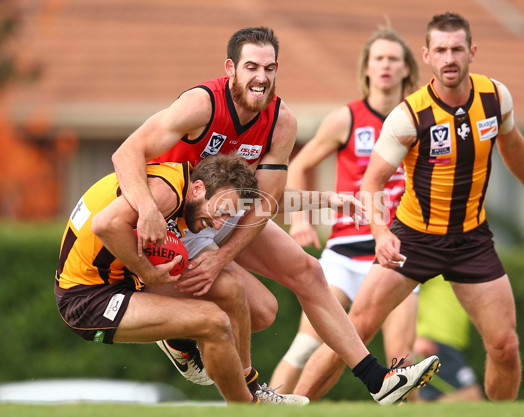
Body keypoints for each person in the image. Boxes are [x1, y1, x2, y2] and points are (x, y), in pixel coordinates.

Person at [111, 26, 439, 404]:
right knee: (252, 305)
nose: (261, 78)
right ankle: (209, 359)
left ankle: (379, 380)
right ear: (230, 68)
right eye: (251, 67)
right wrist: (149, 210)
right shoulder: (202, 104)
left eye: (269, 69)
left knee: (303, 278)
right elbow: (125, 154)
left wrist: (315, 202)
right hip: (172, 222)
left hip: (223, 217)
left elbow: (264, 202)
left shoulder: (282, 122)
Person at [293, 12, 524, 402]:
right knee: (356, 329)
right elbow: (370, 183)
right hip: (414, 239)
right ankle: (293, 408)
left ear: (472, 51)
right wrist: (382, 234)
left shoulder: (494, 97)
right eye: (441, 50)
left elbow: (513, 143)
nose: (449, 58)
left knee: (505, 347)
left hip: (472, 240)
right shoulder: (409, 116)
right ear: (427, 56)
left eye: (457, 49)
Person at [55, 153, 309, 404]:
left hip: (125, 279)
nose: (219, 225)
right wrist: (147, 271)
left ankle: (250, 387)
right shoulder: (167, 193)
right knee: (213, 322)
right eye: (220, 212)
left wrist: (325, 200)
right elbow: (105, 225)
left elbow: (273, 201)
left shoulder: (184, 186)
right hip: (87, 298)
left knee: (232, 287)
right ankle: (247, 407)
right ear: (198, 188)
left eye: (227, 216)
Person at [270, 25, 421, 394]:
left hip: (394, 252)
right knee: (306, 346)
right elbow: (301, 163)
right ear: (366, 69)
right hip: (343, 250)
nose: (386, 65)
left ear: (407, 70)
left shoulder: (421, 118)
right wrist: (301, 220)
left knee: (403, 358)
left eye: (394, 59)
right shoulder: (346, 118)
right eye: (378, 59)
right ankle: (261, 408)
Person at [412, 276, 484, 402]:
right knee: (471, 396)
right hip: (433, 343)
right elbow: (399, 294)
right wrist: (415, 337)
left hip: (450, 345)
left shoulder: (463, 264)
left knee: (428, 401)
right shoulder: (429, 261)